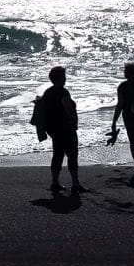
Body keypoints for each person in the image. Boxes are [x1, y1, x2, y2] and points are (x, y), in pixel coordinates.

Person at [41, 66, 86, 194]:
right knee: (72, 155)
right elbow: (68, 108)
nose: (65, 79)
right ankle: (75, 184)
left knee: (57, 155)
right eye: (64, 77)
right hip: (66, 127)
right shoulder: (63, 92)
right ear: (60, 78)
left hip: (53, 129)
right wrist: (74, 122)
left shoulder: (47, 92)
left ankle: (55, 183)